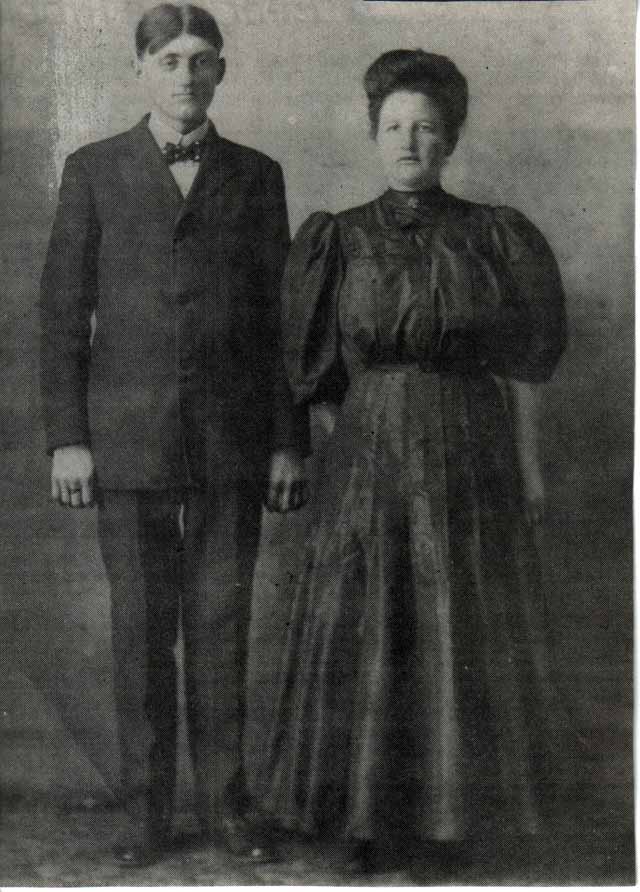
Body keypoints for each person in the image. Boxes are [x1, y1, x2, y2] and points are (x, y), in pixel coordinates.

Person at [258, 50, 567, 872]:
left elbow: (524, 365)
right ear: (374, 136)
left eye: (426, 127)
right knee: (371, 624)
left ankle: (448, 827)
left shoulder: (493, 235)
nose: (408, 141)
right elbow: (320, 381)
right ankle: (365, 824)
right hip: (368, 454)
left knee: (455, 624)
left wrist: (530, 468)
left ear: (449, 140)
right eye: (393, 126)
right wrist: (347, 467)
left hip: (470, 446)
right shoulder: (337, 238)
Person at [39, 2, 307, 869]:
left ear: (221, 69)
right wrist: (68, 437)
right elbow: (62, 314)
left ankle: (227, 808)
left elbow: (281, 323)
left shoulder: (258, 175)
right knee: (141, 633)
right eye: (168, 60)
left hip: (232, 441)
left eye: (200, 59)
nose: (186, 75)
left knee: (223, 626)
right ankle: (145, 816)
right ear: (140, 71)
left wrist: (286, 441)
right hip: (126, 442)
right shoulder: (93, 169)